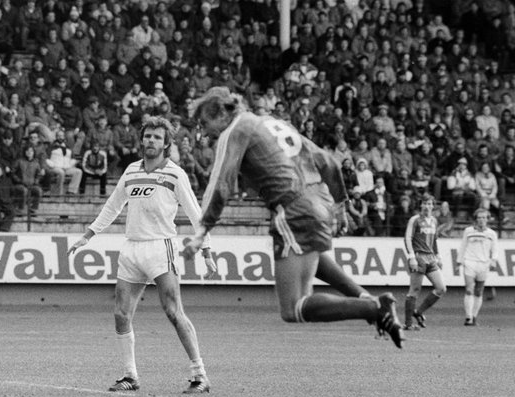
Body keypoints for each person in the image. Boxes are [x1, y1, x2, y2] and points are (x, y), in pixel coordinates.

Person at [183, 87, 404, 349]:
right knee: (310, 258)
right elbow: (328, 162)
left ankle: (374, 308)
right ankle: (369, 300)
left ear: (220, 113)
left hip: (293, 207)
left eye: (205, 123)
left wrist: (202, 231)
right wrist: (341, 206)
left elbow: (221, 183)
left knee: (293, 307)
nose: (205, 132)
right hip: (319, 203)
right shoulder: (274, 122)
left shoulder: (236, 130)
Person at [67, 116, 218, 394]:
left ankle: (200, 375)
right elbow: (113, 206)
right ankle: (130, 376)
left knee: (173, 312)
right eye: (147, 136)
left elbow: (196, 214)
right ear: (142, 139)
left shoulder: (175, 174)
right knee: (121, 314)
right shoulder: (131, 171)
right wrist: (88, 235)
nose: (151, 141)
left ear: (166, 143)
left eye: (157, 137)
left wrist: (206, 251)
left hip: (161, 247)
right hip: (132, 248)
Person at [403, 194, 447, 330]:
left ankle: (418, 312)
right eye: (425, 204)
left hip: (430, 258)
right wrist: (411, 257)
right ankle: (408, 323)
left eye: (430, 204)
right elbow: (407, 238)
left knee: (441, 288)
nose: (427, 206)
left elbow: (434, 240)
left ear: (433, 206)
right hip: (418, 257)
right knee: (414, 290)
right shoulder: (414, 220)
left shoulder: (434, 220)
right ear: (420, 205)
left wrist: (438, 256)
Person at [457, 209, 498, 326]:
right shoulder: (468, 231)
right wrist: (459, 261)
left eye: (484, 217)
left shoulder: (491, 234)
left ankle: (474, 316)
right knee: (469, 289)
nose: (481, 220)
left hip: (483, 264)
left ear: (487, 219)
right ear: (476, 219)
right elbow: (463, 246)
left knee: (479, 291)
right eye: (479, 217)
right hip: (470, 262)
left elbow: (495, 249)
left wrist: (493, 260)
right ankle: (468, 317)